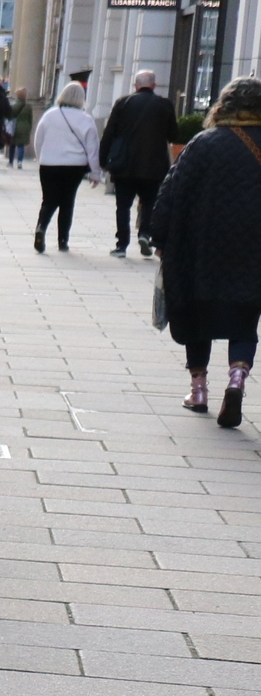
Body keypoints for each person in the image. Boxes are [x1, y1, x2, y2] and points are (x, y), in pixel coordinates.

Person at [151, 78, 261, 427]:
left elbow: (172, 190)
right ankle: (237, 379)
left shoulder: (203, 143)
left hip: (201, 247)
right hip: (253, 247)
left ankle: (198, 390)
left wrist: (160, 235)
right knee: (245, 315)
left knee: (196, 313)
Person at [101, 69, 177, 257]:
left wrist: (102, 160)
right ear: (154, 85)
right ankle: (145, 234)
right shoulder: (165, 105)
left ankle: (122, 245)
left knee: (123, 206)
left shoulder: (123, 103)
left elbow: (109, 133)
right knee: (150, 202)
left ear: (135, 85)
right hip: (154, 166)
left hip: (124, 164)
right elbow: (174, 135)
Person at [30, 81, 100, 253]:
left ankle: (41, 228)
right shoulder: (86, 119)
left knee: (48, 200)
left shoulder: (49, 115)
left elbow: (38, 140)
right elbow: (92, 149)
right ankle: (63, 240)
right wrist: (95, 173)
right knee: (67, 202)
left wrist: (42, 159)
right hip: (74, 166)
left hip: (49, 164)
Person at [9, 87, 35, 167]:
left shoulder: (13, 104)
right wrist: (29, 127)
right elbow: (30, 118)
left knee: (12, 145)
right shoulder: (28, 106)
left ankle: (11, 162)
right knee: (21, 146)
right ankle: (20, 162)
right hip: (25, 127)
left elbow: (10, 116)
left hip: (14, 126)